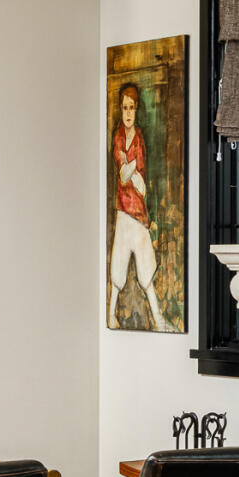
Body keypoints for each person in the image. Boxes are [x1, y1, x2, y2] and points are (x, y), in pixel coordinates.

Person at [108, 82, 162, 327]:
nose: (128, 113)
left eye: (131, 108)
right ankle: (111, 315)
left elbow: (140, 180)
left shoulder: (138, 137)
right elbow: (124, 176)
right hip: (123, 210)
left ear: (136, 109)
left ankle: (158, 319)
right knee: (118, 264)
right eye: (124, 108)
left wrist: (130, 169)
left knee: (145, 264)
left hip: (138, 212)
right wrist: (131, 171)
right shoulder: (118, 136)